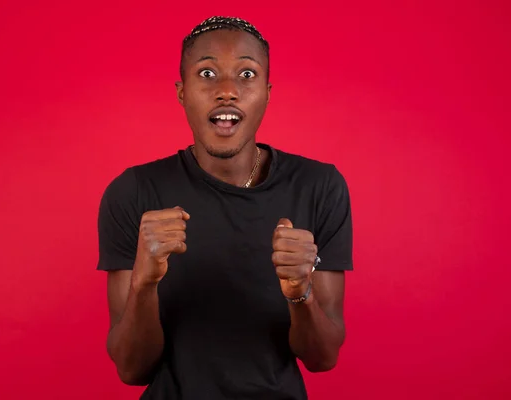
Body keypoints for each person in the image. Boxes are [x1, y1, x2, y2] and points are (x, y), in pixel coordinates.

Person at [96, 16, 353, 400]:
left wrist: (301, 292)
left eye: (246, 74)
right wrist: (143, 283)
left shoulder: (318, 187)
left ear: (267, 92)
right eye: (208, 73)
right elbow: (132, 369)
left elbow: (323, 357)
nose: (227, 91)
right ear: (182, 92)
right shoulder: (134, 192)